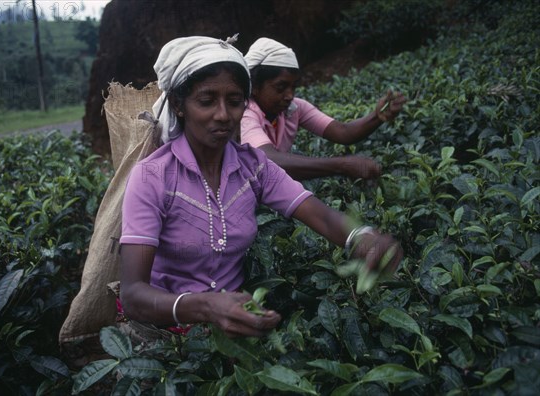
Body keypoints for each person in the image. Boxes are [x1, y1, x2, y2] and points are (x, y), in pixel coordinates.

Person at [119, 34, 403, 339]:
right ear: (179, 105)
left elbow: (316, 212)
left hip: (232, 327)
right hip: (163, 335)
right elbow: (133, 295)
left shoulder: (253, 167)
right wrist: (204, 307)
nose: (223, 115)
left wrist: (361, 237)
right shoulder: (152, 176)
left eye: (234, 101)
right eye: (206, 101)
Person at [241, 37, 407, 181]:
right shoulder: (245, 114)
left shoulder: (293, 109)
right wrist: (341, 165)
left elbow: (343, 132)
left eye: (293, 87)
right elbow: (269, 160)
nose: (289, 95)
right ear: (255, 86)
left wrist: (377, 116)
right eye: (281, 87)